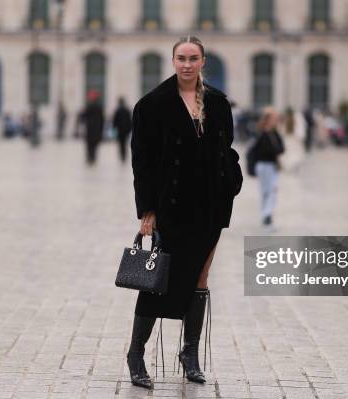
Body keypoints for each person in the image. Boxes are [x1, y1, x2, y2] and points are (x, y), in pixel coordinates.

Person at [128, 35, 242, 390]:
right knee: (158, 280)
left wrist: (231, 178)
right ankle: (136, 353)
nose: (187, 64)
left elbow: (227, 147)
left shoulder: (219, 104)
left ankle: (189, 353)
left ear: (203, 61)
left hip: (209, 206)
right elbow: (142, 163)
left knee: (200, 278)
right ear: (173, 61)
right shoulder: (152, 105)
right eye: (182, 58)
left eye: (194, 58)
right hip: (170, 206)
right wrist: (147, 210)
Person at [253, 107, 285, 230]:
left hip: (272, 166)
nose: (275, 120)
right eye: (273, 118)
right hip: (264, 165)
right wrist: (275, 150)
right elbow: (262, 151)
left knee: (272, 190)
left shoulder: (274, 132)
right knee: (267, 191)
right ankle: (266, 216)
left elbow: (282, 147)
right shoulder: (262, 133)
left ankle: (267, 215)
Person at [77, 90, 104, 165]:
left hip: (89, 129)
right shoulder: (99, 107)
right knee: (94, 145)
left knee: (89, 145)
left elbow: (82, 117)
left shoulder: (88, 107)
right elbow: (102, 120)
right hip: (97, 130)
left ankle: (90, 158)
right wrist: (101, 130)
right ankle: (93, 158)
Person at [112, 97, 132, 162]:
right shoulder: (127, 110)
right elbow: (130, 120)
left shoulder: (117, 110)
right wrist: (130, 128)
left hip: (120, 129)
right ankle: (124, 156)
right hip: (126, 129)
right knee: (124, 143)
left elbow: (115, 120)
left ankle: (122, 156)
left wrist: (114, 127)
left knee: (121, 143)